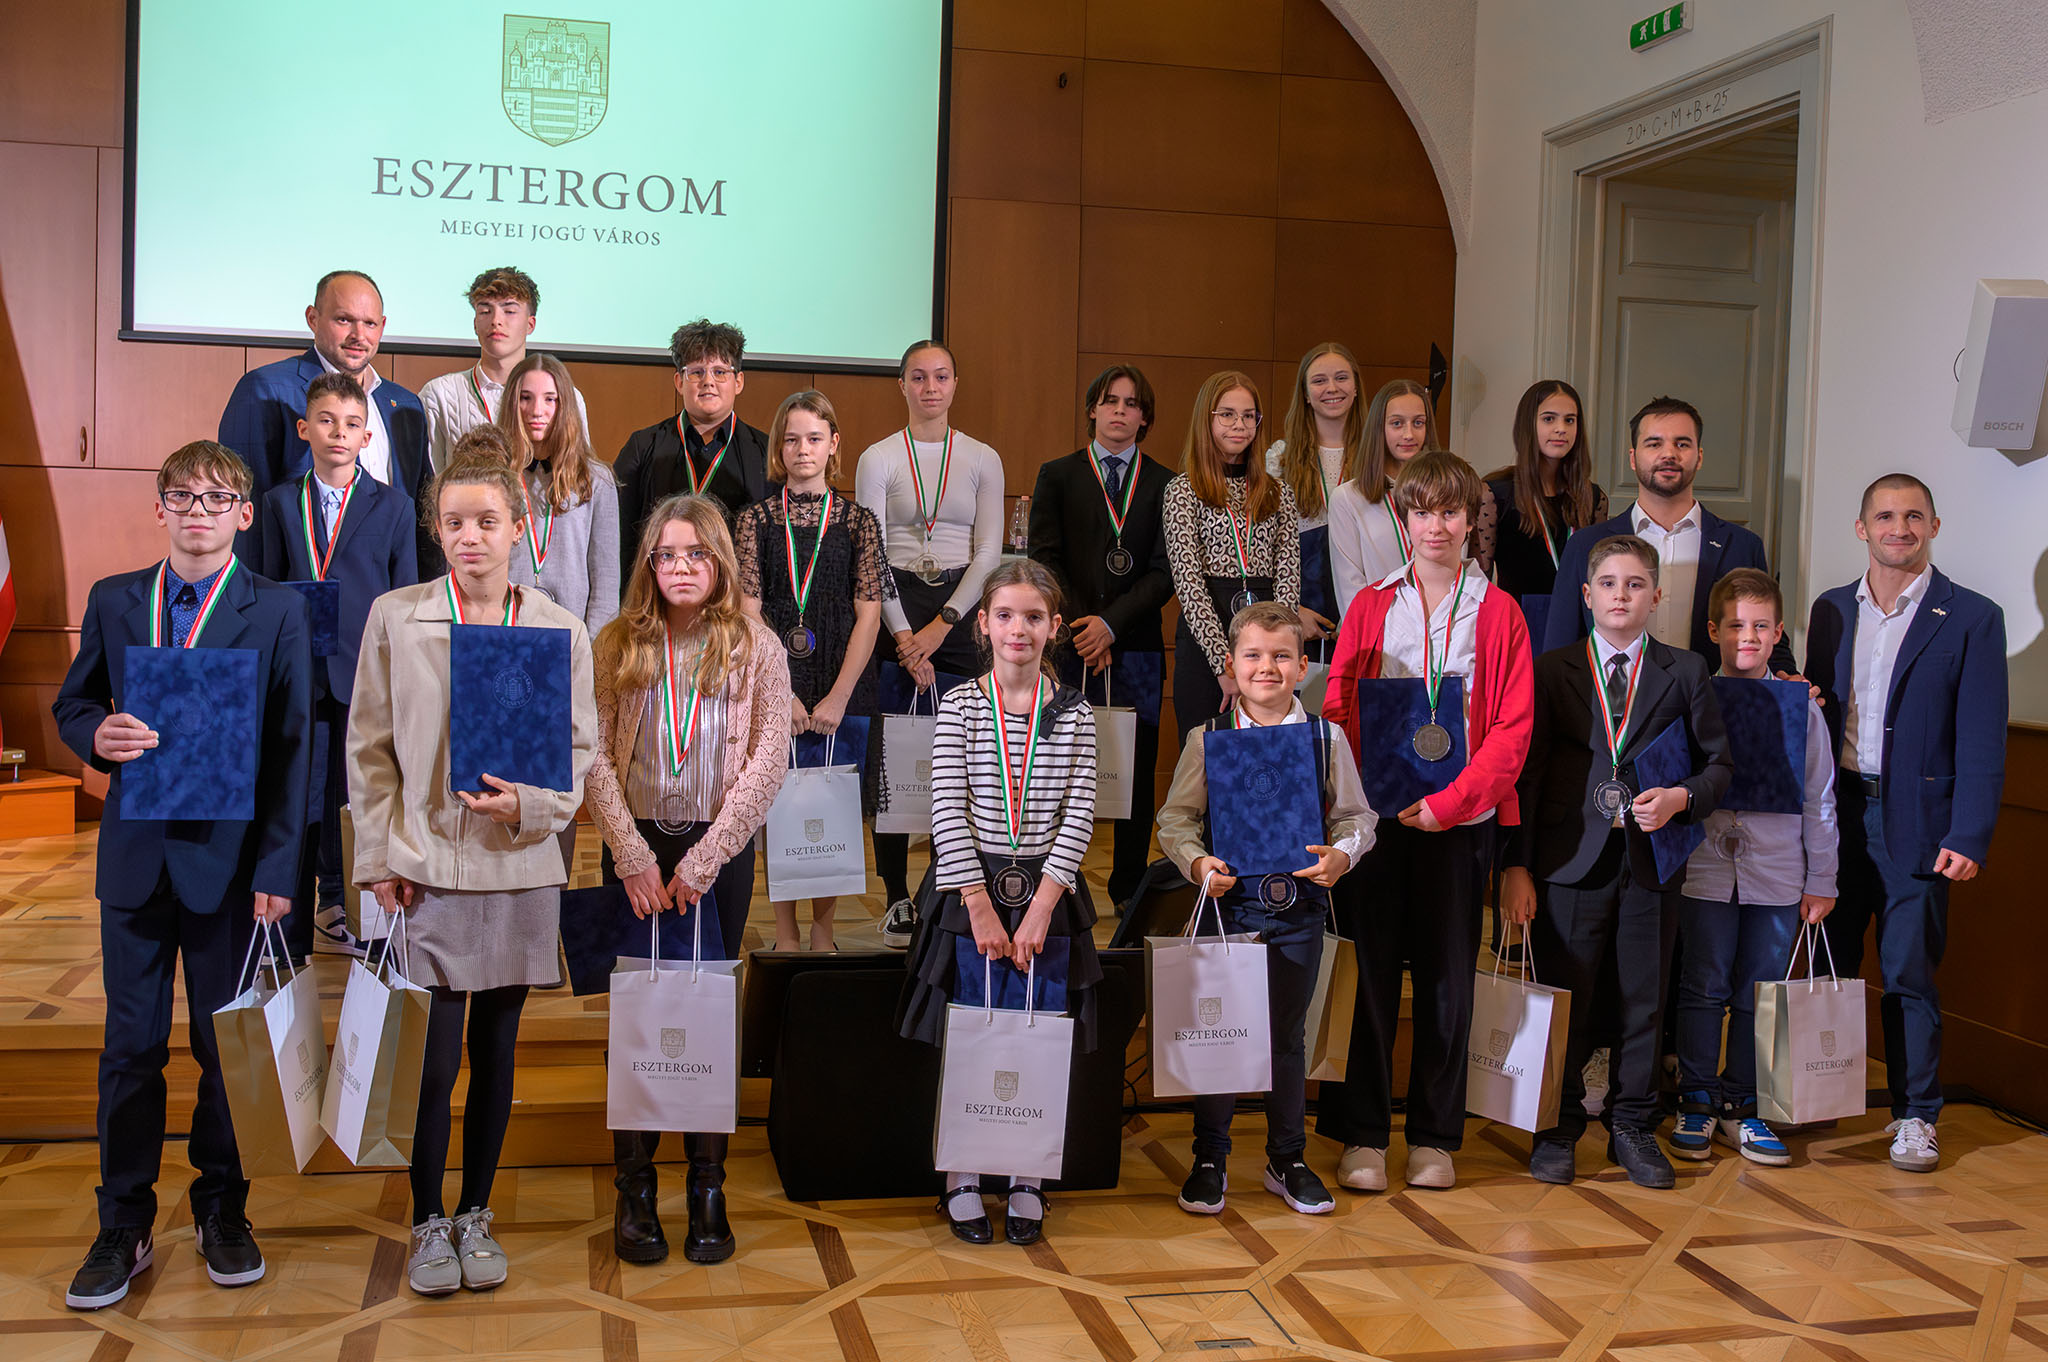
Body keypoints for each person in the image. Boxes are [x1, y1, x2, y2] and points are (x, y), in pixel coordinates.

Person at [54, 440, 312, 1309]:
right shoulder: (116, 599)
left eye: (217, 498)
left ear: (245, 513)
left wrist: (279, 866)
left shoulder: (276, 609)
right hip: (134, 860)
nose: (198, 511)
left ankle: (221, 1206)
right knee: (129, 1048)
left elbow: (293, 749)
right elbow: (74, 701)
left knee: (219, 1047)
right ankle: (123, 1222)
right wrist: (94, 736)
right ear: (158, 507)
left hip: (230, 869)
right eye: (183, 496)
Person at [347, 452, 597, 1297]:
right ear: (436, 528)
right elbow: (369, 750)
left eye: (487, 521)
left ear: (519, 528)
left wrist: (529, 802)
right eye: (454, 522)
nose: (470, 537)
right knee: (433, 1061)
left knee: (496, 1050)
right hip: (427, 866)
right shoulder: (396, 617)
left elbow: (580, 750)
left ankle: (476, 1213)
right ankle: (427, 1218)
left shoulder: (558, 628)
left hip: (519, 864)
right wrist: (377, 859)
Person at [1316, 453, 1534, 1192]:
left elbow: (1511, 730)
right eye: (1422, 511)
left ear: (1471, 520)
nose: (1436, 525)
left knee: (1447, 981)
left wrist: (1453, 803)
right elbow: (1339, 706)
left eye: (1450, 511)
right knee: (1369, 975)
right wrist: (1356, 799)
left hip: (1460, 822)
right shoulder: (1371, 605)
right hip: (1375, 821)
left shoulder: (1499, 612)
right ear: (1403, 519)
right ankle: (1363, 1134)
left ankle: (1435, 1136)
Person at [586, 493, 792, 1262]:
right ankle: (635, 1188)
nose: (680, 567)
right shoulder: (616, 644)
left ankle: (708, 1185)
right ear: (649, 564)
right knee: (635, 1015)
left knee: (707, 1015)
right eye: (666, 554)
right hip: (635, 851)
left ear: (720, 563)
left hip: (719, 854)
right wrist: (631, 854)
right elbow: (592, 752)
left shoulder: (757, 646)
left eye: (695, 554)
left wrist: (707, 859)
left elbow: (770, 756)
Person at [1501, 534, 1732, 1190]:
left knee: (1643, 1000)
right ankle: (1559, 1125)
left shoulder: (1686, 670)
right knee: (1567, 998)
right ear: (1587, 594)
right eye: (1608, 584)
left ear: (1656, 596)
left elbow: (1719, 765)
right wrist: (1516, 866)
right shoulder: (1553, 669)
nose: (1621, 596)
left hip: (1650, 862)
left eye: (1635, 585)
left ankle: (1632, 1124)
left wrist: (1683, 798)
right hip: (1568, 860)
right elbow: (1528, 775)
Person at [1806, 474, 2006, 1172]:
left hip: (1918, 823)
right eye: (1886, 516)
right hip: (1835, 815)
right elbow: (1815, 714)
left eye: (1914, 516)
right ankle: (1813, 1097)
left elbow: (1982, 737)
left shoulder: (1973, 616)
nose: (1901, 528)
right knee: (1825, 963)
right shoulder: (1831, 608)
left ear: (1934, 527)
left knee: (1909, 973)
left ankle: (1916, 1116)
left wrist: (1969, 833)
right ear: (1862, 528)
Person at [896, 560, 1100, 1248]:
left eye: (1034, 617)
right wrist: (979, 905)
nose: (1020, 629)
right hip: (971, 891)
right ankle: (960, 1174)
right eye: (1006, 615)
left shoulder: (1075, 712)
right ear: (983, 625)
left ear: (1054, 627)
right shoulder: (959, 705)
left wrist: (1042, 907)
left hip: (1047, 893)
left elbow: (1080, 813)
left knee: (1035, 1030)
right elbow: (946, 810)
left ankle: (1026, 1175)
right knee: (971, 1027)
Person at [1156, 602, 1375, 1217]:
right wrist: (1198, 863)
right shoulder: (1209, 738)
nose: (1267, 667)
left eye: (1282, 655)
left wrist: (1344, 855)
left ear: (1303, 667)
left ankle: (1288, 1158)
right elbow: (1176, 819)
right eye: (1253, 655)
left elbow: (1357, 816)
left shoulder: (1325, 739)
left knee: (1286, 1035)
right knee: (1221, 1033)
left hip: (1300, 907)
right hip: (1230, 908)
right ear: (1231, 664)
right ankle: (1210, 1157)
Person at [1670, 569, 1837, 1168]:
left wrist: (1822, 879)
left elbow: (1819, 797)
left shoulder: (1800, 708)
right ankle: (1696, 1097)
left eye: (1761, 626)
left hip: (1778, 870)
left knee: (1759, 991)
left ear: (1779, 633)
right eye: (1736, 625)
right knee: (1702, 984)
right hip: (1705, 867)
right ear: (1713, 630)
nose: (1748, 636)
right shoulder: (1690, 696)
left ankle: (1743, 1102)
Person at [258, 373, 419, 961]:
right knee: (300, 801)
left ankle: (374, 935)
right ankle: (290, 940)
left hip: (365, 678)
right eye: (326, 421)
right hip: (298, 677)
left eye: (352, 424)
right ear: (305, 429)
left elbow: (404, 599)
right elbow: (265, 591)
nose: (338, 433)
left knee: (365, 801)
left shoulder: (394, 506)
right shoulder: (278, 503)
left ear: (367, 436)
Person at [855, 341, 1006, 944]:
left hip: (961, 612)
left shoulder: (982, 457)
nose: (930, 387)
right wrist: (902, 636)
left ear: (955, 383)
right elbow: (871, 553)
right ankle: (896, 894)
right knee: (894, 761)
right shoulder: (878, 457)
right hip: (893, 608)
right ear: (902, 385)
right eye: (918, 377)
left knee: (965, 757)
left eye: (941, 376)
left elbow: (989, 552)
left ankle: (949, 887)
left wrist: (942, 625)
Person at [736, 391, 888, 952]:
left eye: (814, 438)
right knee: (778, 808)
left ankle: (823, 934)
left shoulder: (859, 522)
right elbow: (749, 614)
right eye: (792, 439)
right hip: (776, 684)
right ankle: (785, 934)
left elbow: (869, 615)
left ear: (833, 445)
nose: (803, 449)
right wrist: (783, 696)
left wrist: (840, 697)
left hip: (843, 687)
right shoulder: (754, 521)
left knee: (833, 813)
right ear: (779, 448)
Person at [1028, 363, 1175, 910]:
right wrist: (1085, 624)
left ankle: (1128, 890)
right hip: (1069, 644)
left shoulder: (1166, 484)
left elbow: (1165, 571)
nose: (1120, 411)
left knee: (1133, 773)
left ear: (1144, 417)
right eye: (1110, 400)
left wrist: (1112, 625)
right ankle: (1054, 886)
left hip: (1136, 646)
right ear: (1092, 409)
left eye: (1131, 403)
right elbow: (1044, 559)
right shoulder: (1058, 475)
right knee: (1060, 768)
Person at [1542, 395, 1793, 675]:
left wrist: (1787, 675)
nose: (1669, 454)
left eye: (1682, 444)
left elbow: (1770, 636)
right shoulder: (1586, 545)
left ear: (1699, 457)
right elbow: (1559, 650)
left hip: (1712, 699)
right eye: (1654, 444)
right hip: (1610, 700)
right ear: (1633, 458)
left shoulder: (1743, 546)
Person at [217, 269, 431, 565]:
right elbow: (243, 507)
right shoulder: (265, 390)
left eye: (369, 323)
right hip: (298, 583)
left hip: (391, 583)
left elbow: (419, 513)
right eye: (344, 320)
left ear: (382, 327)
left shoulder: (405, 405)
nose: (358, 335)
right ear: (313, 319)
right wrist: (255, 591)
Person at [1162, 371, 1301, 742]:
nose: (1239, 425)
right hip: (1207, 636)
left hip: (1267, 634)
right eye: (1227, 414)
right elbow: (1188, 585)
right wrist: (1225, 665)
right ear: (1206, 420)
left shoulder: (1278, 492)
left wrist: (1273, 655)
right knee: (1206, 757)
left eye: (1248, 415)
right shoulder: (1183, 490)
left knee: (1265, 759)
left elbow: (1288, 576)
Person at [614, 319, 772, 572]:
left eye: (720, 372)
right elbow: (620, 537)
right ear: (679, 382)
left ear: (738, 382)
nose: (708, 381)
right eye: (697, 372)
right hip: (658, 587)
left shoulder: (766, 453)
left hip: (736, 589)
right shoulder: (642, 447)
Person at [1329, 379, 1496, 611]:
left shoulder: (1451, 490)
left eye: (1418, 423)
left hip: (1446, 623)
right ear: (1379, 428)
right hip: (1377, 626)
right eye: (1397, 423)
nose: (1409, 434)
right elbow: (1350, 592)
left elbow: (1461, 569)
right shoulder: (1347, 498)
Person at [419, 265, 589, 474]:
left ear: (530, 324)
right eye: (485, 311)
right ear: (475, 323)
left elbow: (580, 476)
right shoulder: (440, 394)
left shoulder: (566, 396)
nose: (496, 321)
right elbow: (431, 482)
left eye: (509, 311)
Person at [499, 353, 619, 638]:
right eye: (525, 398)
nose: (536, 410)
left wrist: (592, 651)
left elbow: (605, 584)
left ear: (565, 405)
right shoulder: (494, 476)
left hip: (572, 639)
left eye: (550, 399)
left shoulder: (597, 480)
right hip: (502, 635)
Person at [1268, 343, 1366, 650]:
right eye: (1320, 380)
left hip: (1366, 615)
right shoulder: (1280, 459)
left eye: (1341, 378)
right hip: (1303, 617)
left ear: (1356, 388)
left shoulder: (1376, 457)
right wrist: (1291, 610)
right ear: (1306, 394)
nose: (1332, 388)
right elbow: (1265, 548)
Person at [1485, 380, 1609, 604]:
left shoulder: (1592, 497)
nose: (1561, 428)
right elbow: (1478, 581)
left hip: (1575, 620)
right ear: (1528, 425)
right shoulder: (1495, 495)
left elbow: (1600, 576)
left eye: (1569, 420)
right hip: (1517, 621)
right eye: (1549, 419)